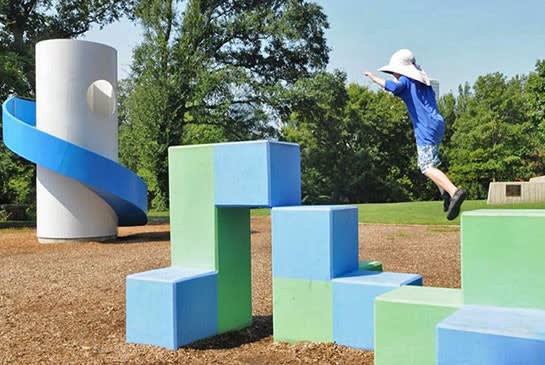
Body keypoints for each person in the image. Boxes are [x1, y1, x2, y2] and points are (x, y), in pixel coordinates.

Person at [364, 49, 466, 220]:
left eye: (393, 71)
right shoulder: (422, 83)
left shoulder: (405, 80)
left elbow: (393, 87)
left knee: (425, 166)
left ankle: (454, 191)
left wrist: (374, 79)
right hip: (437, 124)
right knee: (432, 163)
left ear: (400, 69)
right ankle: (445, 194)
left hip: (425, 127)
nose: (394, 75)